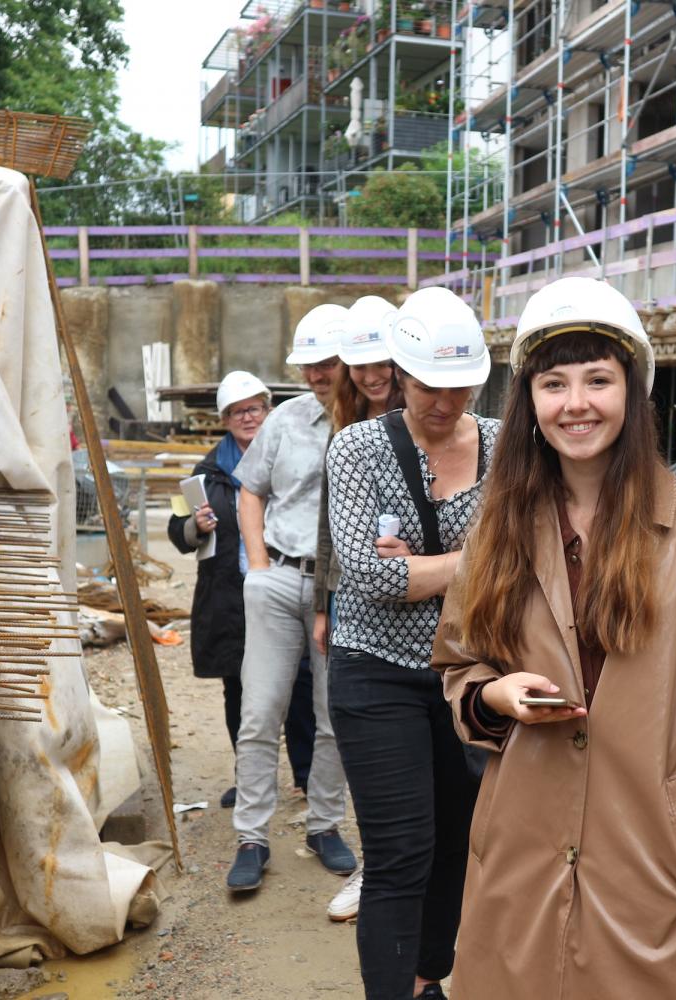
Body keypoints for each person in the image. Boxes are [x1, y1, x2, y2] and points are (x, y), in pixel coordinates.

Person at [429, 275, 676, 998]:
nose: (576, 404)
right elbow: (456, 666)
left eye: (598, 379)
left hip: (650, 864)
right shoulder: (498, 531)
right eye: (554, 384)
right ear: (529, 401)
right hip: (521, 848)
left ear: (632, 391)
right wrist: (493, 693)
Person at [324, 286, 497, 1000]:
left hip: (468, 670)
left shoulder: (507, 443)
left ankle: (427, 979)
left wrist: (420, 570)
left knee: (457, 843)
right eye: (430, 387)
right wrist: (481, 559)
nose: (444, 405)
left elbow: (539, 552)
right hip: (377, 671)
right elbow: (366, 574)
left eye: (460, 390)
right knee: (401, 853)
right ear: (400, 372)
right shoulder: (359, 447)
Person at [226, 304, 358, 892]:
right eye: (307, 366)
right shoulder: (284, 421)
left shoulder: (374, 424)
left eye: (325, 364)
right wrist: (257, 566)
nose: (313, 376)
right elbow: (249, 492)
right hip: (279, 575)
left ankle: (325, 825)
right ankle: (251, 837)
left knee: (334, 714)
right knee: (261, 710)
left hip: (344, 588)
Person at [167, 372, 317, 808]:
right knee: (239, 689)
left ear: (268, 410)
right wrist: (195, 525)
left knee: (302, 686)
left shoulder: (296, 457)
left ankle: (305, 776)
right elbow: (177, 530)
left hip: (290, 590)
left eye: (254, 408)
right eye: (237, 411)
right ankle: (250, 777)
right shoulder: (202, 475)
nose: (248, 417)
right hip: (232, 600)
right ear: (224, 419)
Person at [313, 294, 404, 923]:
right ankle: (375, 870)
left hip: (434, 606)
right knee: (374, 755)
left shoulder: (438, 415)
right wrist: (326, 603)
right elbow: (329, 527)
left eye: (383, 363)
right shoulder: (345, 429)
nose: (372, 375)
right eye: (360, 364)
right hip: (360, 604)